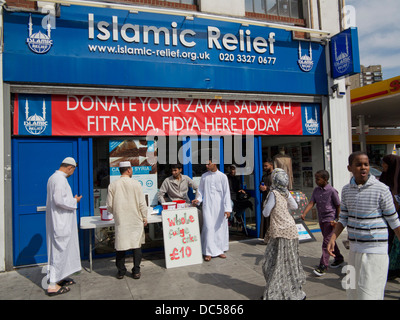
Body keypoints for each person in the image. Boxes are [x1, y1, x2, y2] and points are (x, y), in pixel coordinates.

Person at [327, 151, 400, 300]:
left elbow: (393, 220)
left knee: (369, 294)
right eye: (358, 164)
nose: (363, 167)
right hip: (354, 250)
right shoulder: (346, 190)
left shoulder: (382, 189)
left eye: (366, 164)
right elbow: (344, 217)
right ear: (349, 168)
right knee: (353, 293)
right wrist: (333, 238)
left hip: (375, 252)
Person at [261, 168, 306, 300]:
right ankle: (291, 288)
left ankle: (278, 290)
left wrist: (267, 205)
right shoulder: (286, 192)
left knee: (273, 262)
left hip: (280, 231)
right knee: (290, 262)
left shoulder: (273, 193)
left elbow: (266, 213)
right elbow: (295, 207)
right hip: (291, 229)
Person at [45, 157, 82, 296]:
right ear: (70, 168)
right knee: (59, 251)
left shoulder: (53, 178)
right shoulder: (60, 179)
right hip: (60, 222)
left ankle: (59, 278)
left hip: (60, 221)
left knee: (62, 250)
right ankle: (53, 285)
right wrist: (74, 201)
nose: (72, 172)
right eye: (73, 170)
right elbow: (59, 200)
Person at [107, 161, 148, 280]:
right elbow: (142, 203)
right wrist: (144, 216)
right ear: (129, 170)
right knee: (136, 245)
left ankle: (121, 271)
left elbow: (109, 205)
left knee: (121, 246)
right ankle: (136, 271)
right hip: (136, 219)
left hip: (121, 219)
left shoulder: (113, 185)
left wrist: (116, 213)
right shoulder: (136, 184)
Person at [301, 170, 344, 276]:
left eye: (318, 179)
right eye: (315, 178)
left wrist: (337, 219)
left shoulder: (332, 191)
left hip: (330, 220)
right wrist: (304, 213)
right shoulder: (316, 190)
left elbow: (338, 205)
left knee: (326, 243)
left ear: (325, 179)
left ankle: (323, 265)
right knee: (329, 240)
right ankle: (338, 258)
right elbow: (312, 202)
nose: (316, 181)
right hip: (321, 219)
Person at [192, 159, 232, 261]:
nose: (206, 166)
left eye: (208, 164)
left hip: (220, 207)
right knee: (209, 227)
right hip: (208, 206)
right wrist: (198, 200)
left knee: (219, 228)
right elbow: (200, 191)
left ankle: (219, 250)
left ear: (214, 163)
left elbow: (227, 193)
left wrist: (227, 209)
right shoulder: (204, 176)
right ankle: (208, 252)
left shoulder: (223, 177)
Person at [379, 154, 400, 279]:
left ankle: (394, 269)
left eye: (385, 163)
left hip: (397, 218)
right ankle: (388, 269)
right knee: (387, 241)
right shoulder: (384, 177)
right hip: (385, 217)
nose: (383, 166)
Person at [259, 159, 274, 241]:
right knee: (266, 219)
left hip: (273, 200)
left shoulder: (275, 176)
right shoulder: (264, 176)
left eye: (266, 166)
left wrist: (267, 188)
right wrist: (261, 188)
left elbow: (278, 188)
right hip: (265, 199)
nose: (264, 167)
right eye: (264, 166)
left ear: (271, 165)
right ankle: (267, 238)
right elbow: (261, 186)